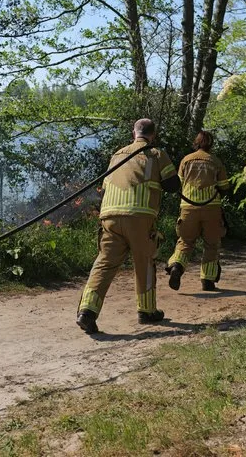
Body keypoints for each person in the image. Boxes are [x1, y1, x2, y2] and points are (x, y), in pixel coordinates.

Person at [76, 119, 181, 334]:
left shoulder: (117, 154)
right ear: (153, 134)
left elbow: (105, 187)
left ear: (134, 132)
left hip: (110, 216)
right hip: (139, 217)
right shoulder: (157, 154)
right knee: (144, 262)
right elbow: (173, 185)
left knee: (104, 264)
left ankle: (87, 311)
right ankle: (147, 311)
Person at [165, 130, 231, 292]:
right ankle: (208, 281)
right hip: (212, 209)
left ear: (196, 142)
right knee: (211, 244)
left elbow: (177, 184)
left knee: (185, 241)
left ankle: (176, 267)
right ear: (211, 144)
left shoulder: (186, 160)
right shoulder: (216, 161)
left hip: (188, 208)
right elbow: (224, 186)